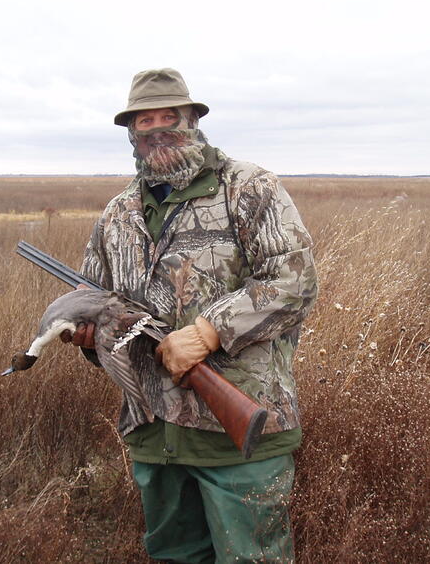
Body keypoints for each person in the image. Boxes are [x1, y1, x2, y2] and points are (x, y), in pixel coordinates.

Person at [65, 68, 318, 562]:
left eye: (169, 116)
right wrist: (88, 337)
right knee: (175, 556)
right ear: (131, 134)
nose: (157, 129)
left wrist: (207, 333)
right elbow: (98, 304)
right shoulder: (118, 215)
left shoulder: (247, 187)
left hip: (238, 437)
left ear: (193, 121)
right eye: (144, 121)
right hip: (154, 435)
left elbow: (294, 280)